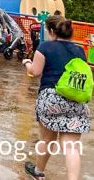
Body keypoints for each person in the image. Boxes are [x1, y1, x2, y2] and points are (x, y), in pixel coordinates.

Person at [22, 16, 90, 180]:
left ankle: (38, 172)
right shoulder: (79, 50)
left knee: (47, 140)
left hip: (51, 99)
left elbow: (35, 72)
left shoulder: (45, 47)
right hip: (75, 99)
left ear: (52, 31)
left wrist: (27, 63)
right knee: (72, 147)